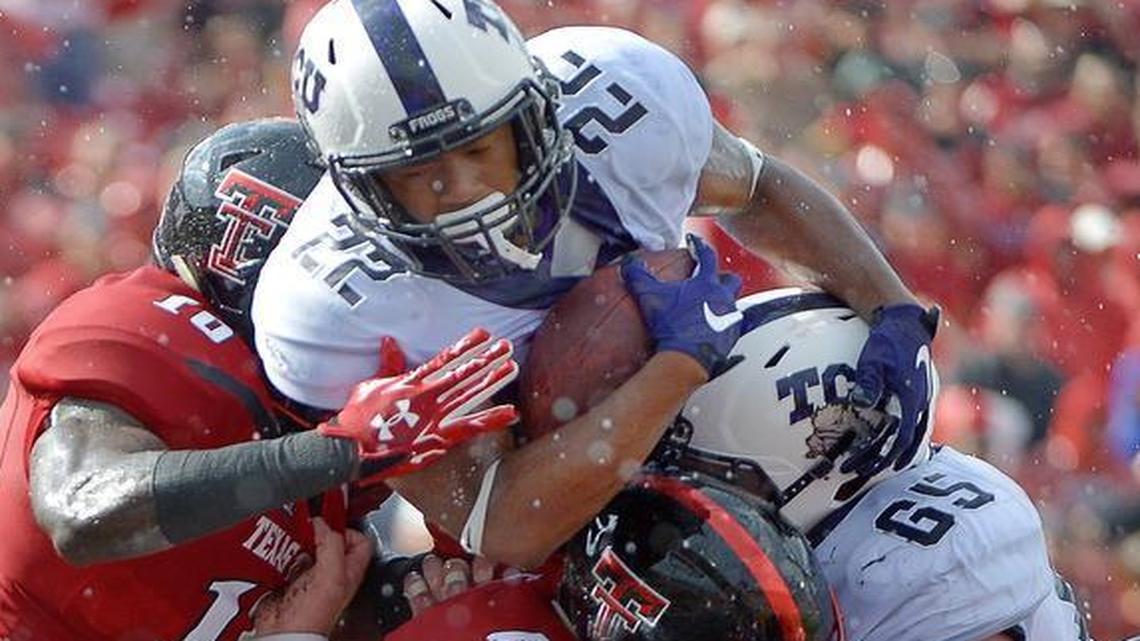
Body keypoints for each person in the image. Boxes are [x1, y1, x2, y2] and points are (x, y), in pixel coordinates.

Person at [253, 0, 934, 570]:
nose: (464, 190)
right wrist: (677, 363)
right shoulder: (330, 302)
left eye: (481, 146)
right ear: (359, 186)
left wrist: (891, 304)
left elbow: (756, 187)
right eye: (416, 172)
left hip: (705, 445)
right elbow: (503, 524)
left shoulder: (618, 91)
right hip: (547, 562)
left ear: (536, 112)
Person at [0, 118, 518, 641]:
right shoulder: (146, 325)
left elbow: (325, 586)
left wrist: (421, 591)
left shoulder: (298, 421)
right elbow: (84, 511)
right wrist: (339, 452)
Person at [674, 287, 1090, 641]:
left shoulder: (910, 574)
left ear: (832, 462)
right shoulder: (845, 524)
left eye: (723, 475)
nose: (699, 489)